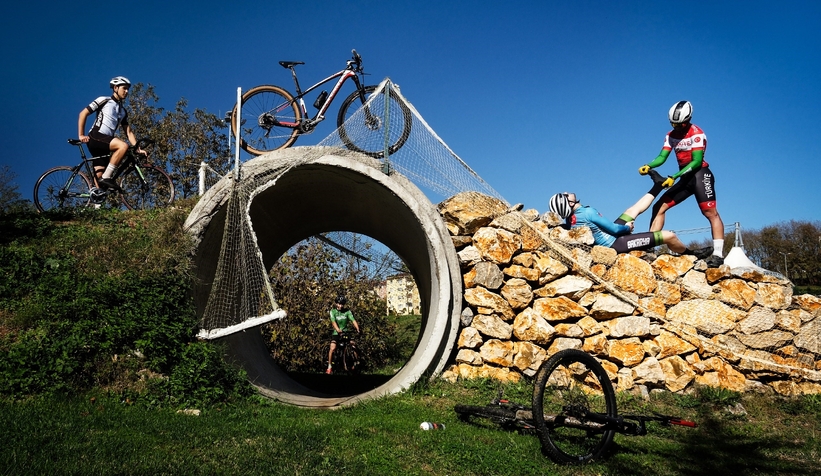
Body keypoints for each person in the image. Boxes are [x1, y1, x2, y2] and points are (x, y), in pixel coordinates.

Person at [638, 100, 725, 267]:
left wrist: (675, 176)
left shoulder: (697, 133)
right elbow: (662, 157)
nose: (677, 126)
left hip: (700, 174)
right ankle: (650, 248)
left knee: (710, 213)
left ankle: (718, 254)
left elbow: (697, 162)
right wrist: (649, 165)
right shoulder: (671, 135)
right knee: (659, 207)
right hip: (685, 177)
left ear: (689, 119)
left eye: (681, 123)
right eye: (674, 123)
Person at [548, 191, 712, 258]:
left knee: (632, 210)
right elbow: (614, 229)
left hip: (610, 237)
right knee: (670, 236)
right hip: (616, 243)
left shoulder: (571, 219)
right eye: (564, 195)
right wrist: (628, 228)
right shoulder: (587, 213)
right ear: (569, 203)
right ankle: (692, 256)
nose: (567, 192)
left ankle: (657, 185)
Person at [77, 76, 142, 191]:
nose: (126, 92)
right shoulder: (104, 100)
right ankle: (107, 178)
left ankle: (97, 205)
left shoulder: (123, 111)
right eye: (124, 88)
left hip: (105, 142)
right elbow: (83, 114)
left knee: (99, 180)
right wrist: (81, 135)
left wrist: (138, 148)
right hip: (96, 136)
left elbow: (128, 132)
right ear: (115, 88)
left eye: (128, 89)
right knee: (123, 146)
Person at [326, 295, 360, 375]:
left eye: (342, 304)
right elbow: (333, 322)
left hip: (345, 332)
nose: (340, 306)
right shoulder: (333, 311)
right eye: (339, 304)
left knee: (353, 345)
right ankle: (329, 366)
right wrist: (338, 330)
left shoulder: (347, 311)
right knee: (333, 347)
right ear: (336, 303)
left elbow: (353, 320)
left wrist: (357, 328)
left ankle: (355, 363)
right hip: (336, 332)